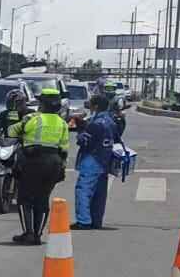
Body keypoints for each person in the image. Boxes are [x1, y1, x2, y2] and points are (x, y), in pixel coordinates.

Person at [8, 86, 71, 244]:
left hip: (34, 161)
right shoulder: (63, 123)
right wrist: (62, 169)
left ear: (43, 104)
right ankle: (37, 235)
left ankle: (28, 233)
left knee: (25, 198)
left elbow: (12, 131)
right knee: (42, 199)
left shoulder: (33, 119)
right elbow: (64, 149)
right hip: (55, 163)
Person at [73, 95, 118, 230]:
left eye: (91, 104)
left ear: (96, 106)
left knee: (83, 191)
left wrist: (81, 131)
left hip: (91, 162)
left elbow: (85, 142)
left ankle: (83, 220)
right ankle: (96, 220)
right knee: (100, 194)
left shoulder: (96, 123)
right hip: (104, 161)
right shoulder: (111, 122)